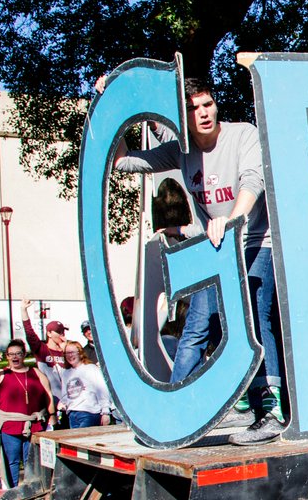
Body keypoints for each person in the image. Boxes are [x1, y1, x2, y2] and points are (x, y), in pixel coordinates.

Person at [104, 75, 286, 445]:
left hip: (254, 239)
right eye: (193, 108)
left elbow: (254, 180)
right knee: (204, 324)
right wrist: (114, 105)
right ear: (181, 116)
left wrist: (233, 217)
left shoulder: (242, 134)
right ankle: (181, 409)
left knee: (253, 311)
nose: (203, 113)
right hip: (215, 247)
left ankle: (272, 409)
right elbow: (124, 162)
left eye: (207, 104)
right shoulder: (181, 151)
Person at [0, 340, 54, 487]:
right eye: (11, 354)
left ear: (24, 355)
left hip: (34, 424)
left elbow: (48, 394)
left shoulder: (35, 372)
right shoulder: (2, 374)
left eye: (18, 353)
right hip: (10, 426)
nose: (15, 357)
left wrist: (52, 415)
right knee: (11, 460)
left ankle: (30, 490)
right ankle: (12, 491)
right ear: (7, 356)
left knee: (30, 461)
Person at [59, 341, 113, 429]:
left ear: (80, 354)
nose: (70, 355)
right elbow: (65, 394)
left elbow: (102, 391)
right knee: (75, 442)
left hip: (89, 413)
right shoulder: (65, 372)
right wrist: (63, 403)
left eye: (72, 352)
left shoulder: (91, 369)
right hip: (72, 414)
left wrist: (105, 412)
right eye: (67, 353)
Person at [20, 299, 66, 400]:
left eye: (63, 331)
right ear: (49, 333)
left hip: (69, 398)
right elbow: (29, 332)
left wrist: (66, 350)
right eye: (58, 332)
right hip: (49, 397)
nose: (62, 334)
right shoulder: (40, 348)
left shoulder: (67, 349)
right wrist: (23, 310)